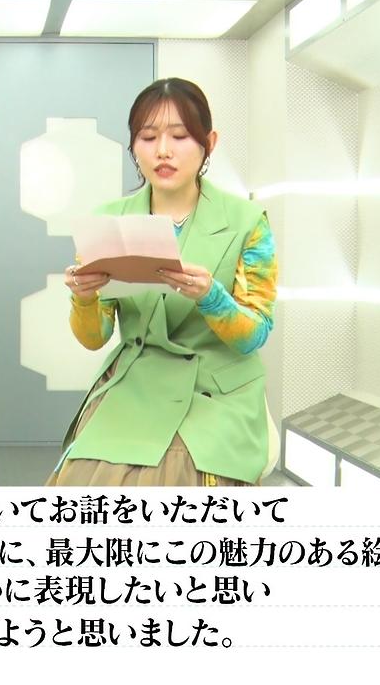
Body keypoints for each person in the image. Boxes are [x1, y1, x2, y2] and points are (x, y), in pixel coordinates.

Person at [49, 77, 278, 487]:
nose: (163, 151)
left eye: (180, 136)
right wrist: (85, 299)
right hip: (136, 382)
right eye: (148, 137)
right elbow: (94, 338)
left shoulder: (248, 222)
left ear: (209, 142)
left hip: (215, 392)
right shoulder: (109, 221)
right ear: (133, 146)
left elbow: (255, 334)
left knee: (175, 478)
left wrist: (212, 298)